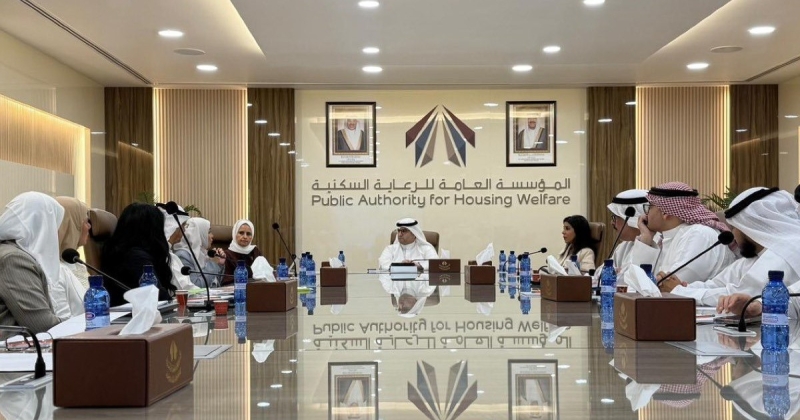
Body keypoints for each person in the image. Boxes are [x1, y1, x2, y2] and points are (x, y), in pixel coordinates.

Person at [660, 187, 800, 307]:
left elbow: (739, 296)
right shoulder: (753, 258)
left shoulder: (786, 250)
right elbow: (717, 284)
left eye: (734, 227)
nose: (733, 235)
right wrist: (684, 287)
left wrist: (679, 291)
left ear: (749, 226)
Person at [630, 182, 735, 284]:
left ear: (665, 212)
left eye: (649, 207)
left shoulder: (699, 234)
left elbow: (667, 285)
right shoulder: (667, 237)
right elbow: (636, 282)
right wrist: (646, 240)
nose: (646, 214)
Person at [0, 192, 63, 333]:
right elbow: (42, 325)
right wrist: (82, 324)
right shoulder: (13, 259)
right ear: (43, 225)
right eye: (54, 226)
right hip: (16, 346)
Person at [102, 203, 175, 306]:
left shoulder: (118, 250)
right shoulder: (136, 257)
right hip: (132, 313)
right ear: (152, 230)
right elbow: (159, 296)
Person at [54, 196, 91, 318]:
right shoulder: (54, 270)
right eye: (86, 221)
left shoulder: (77, 263)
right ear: (71, 225)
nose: (89, 227)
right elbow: (62, 320)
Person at [173, 217, 225, 288]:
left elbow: (217, 285)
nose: (212, 236)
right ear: (198, 233)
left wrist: (220, 264)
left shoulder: (203, 253)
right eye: (209, 232)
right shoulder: (183, 255)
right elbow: (196, 286)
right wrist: (213, 263)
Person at [606, 189, 649, 272]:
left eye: (615, 217)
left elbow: (632, 275)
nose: (612, 222)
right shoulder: (623, 247)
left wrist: (616, 272)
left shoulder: (653, 245)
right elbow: (600, 272)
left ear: (630, 217)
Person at [158, 203, 194, 290]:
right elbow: (185, 288)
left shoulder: (169, 253)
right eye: (183, 225)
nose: (184, 230)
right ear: (173, 226)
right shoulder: (163, 256)